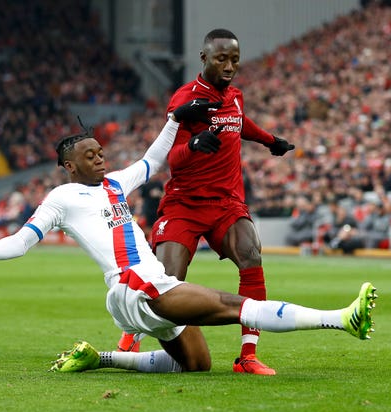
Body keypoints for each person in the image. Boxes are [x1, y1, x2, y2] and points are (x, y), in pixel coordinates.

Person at [0, 101, 377, 375]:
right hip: (137, 284)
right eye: (88, 155)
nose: (99, 157)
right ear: (69, 165)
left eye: (99, 151)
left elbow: (152, 160)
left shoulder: (115, 185)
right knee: (230, 305)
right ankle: (341, 319)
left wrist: (173, 121)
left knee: (197, 365)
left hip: (141, 289)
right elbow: (23, 240)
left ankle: (100, 359)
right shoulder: (62, 197)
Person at [123, 28, 296, 375]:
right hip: (184, 205)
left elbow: (239, 122)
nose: (229, 65)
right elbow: (171, 159)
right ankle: (131, 332)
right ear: (204, 58)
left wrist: (269, 140)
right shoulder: (186, 99)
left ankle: (247, 356)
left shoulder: (234, 96)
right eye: (221, 58)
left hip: (226, 203)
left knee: (250, 253)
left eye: (234, 58)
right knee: (165, 280)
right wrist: (194, 146)